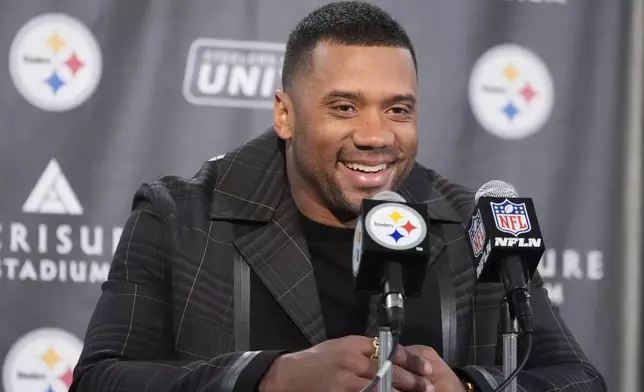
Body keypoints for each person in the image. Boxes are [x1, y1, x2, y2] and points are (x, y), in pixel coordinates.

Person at [70, 2, 606, 392]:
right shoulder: (179, 216)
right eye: (344, 107)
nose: (376, 136)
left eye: (398, 110)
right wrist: (269, 378)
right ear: (286, 114)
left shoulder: (469, 224)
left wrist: (469, 388)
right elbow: (100, 380)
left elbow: (578, 379)